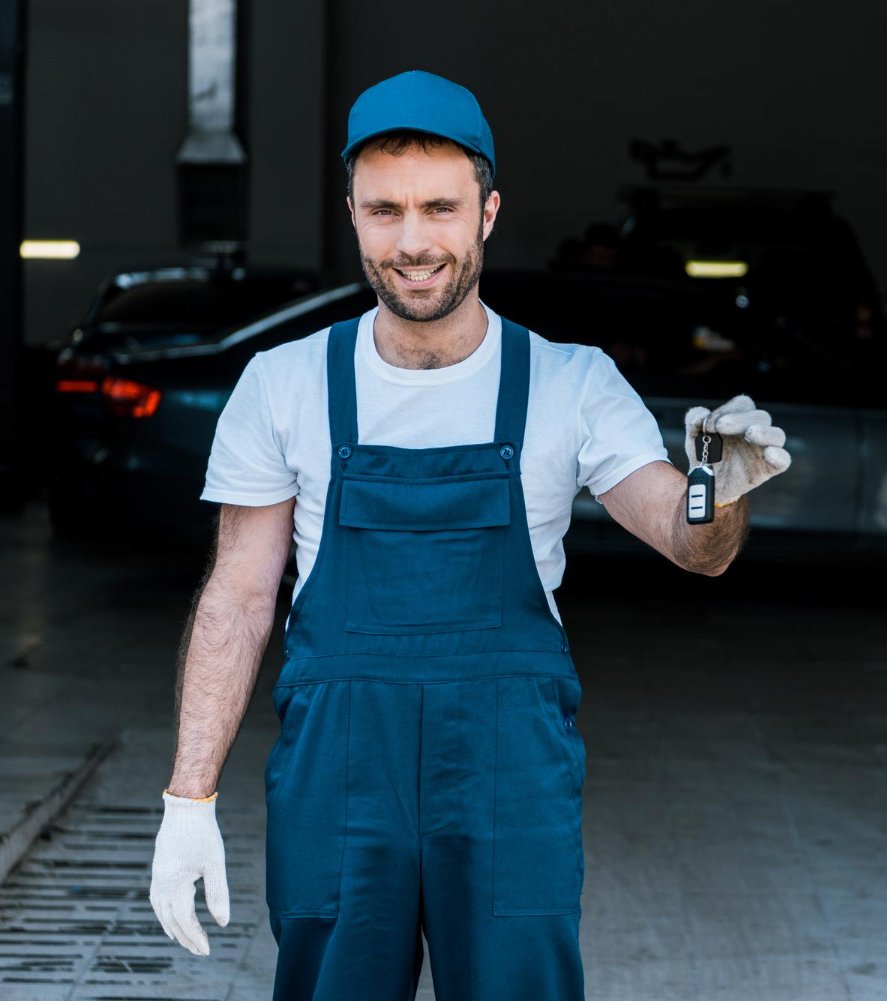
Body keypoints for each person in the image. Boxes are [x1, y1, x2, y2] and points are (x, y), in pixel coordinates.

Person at [146, 70, 791, 1001]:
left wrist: (716, 495)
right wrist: (188, 796)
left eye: (439, 208)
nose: (413, 242)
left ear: (487, 212)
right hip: (340, 778)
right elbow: (239, 597)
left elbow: (689, 540)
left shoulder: (571, 382)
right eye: (385, 210)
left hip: (507, 778)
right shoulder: (283, 384)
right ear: (353, 215)